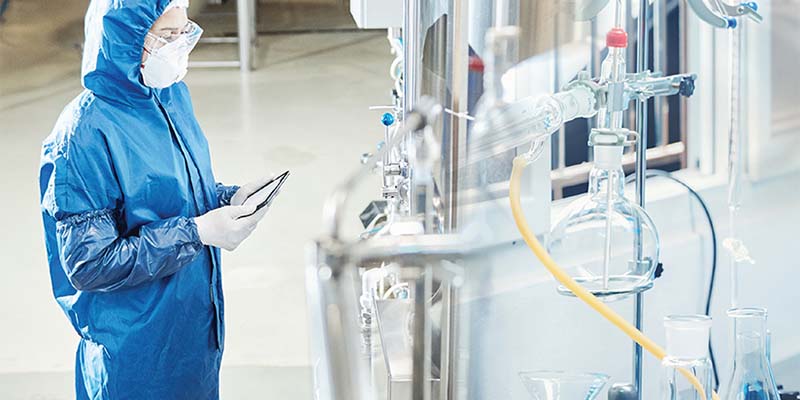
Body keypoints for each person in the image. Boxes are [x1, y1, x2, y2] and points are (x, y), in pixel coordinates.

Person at [38, 1, 271, 398]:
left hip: (190, 331)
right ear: (125, 39)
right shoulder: (83, 134)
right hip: (134, 350)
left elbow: (167, 196)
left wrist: (227, 199)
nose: (178, 46)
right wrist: (196, 233)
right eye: (166, 37)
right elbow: (89, 263)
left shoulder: (169, 96)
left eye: (184, 34)